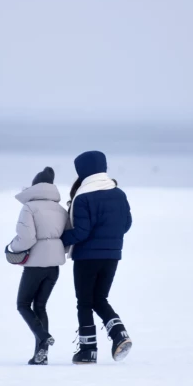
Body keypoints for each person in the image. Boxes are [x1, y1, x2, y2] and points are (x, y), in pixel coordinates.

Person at [61, 151, 133, 364]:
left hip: (87, 257)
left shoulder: (83, 196)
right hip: (112, 255)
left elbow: (81, 232)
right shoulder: (119, 193)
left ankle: (88, 350)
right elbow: (126, 224)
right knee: (99, 299)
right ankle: (119, 333)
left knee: (84, 302)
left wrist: (60, 238)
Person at [7, 167, 69, 365]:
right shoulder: (60, 209)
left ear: (35, 187)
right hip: (54, 267)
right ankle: (41, 355)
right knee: (40, 305)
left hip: (35, 266)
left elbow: (26, 238)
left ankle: (43, 337)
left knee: (23, 304)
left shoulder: (29, 208)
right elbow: (66, 239)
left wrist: (11, 249)